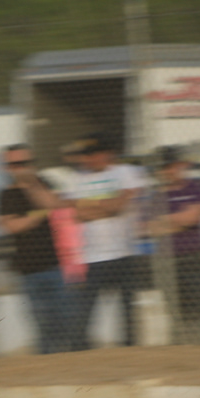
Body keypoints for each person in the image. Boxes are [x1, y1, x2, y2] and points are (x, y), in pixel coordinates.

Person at [59, 135, 148, 347]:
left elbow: (120, 206)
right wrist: (108, 205)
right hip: (91, 256)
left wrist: (92, 207)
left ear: (106, 154)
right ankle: (80, 353)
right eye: (85, 156)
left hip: (124, 253)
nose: (87, 160)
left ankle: (130, 350)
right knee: (85, 310)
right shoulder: (77, 178)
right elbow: (75, 214)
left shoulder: (125, 172)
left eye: (92, 155)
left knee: (127, 310)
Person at [0, 144, 76, 353]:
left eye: (24, 163)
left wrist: (32, 186)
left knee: (66, 322)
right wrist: (38, 214)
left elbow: (56, 205)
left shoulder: (44, 184)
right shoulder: (4, 195)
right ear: (6, 167)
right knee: (42, 326)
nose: (20, 168)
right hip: (27, 271)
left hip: (55, 266)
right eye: (14, 164)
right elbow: (11, 226)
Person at [148, 146, 200, 345]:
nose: (167, 171)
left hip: (193, 255)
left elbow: (194, 217)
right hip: (167, 258)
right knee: (175, 311)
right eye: (163, 168)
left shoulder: (195, 187)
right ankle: (182, 353)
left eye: (171, 166)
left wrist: (166, 221)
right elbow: (150, 229)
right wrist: (180, 220)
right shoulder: (156, 195)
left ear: (182, 165)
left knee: (198, 308)